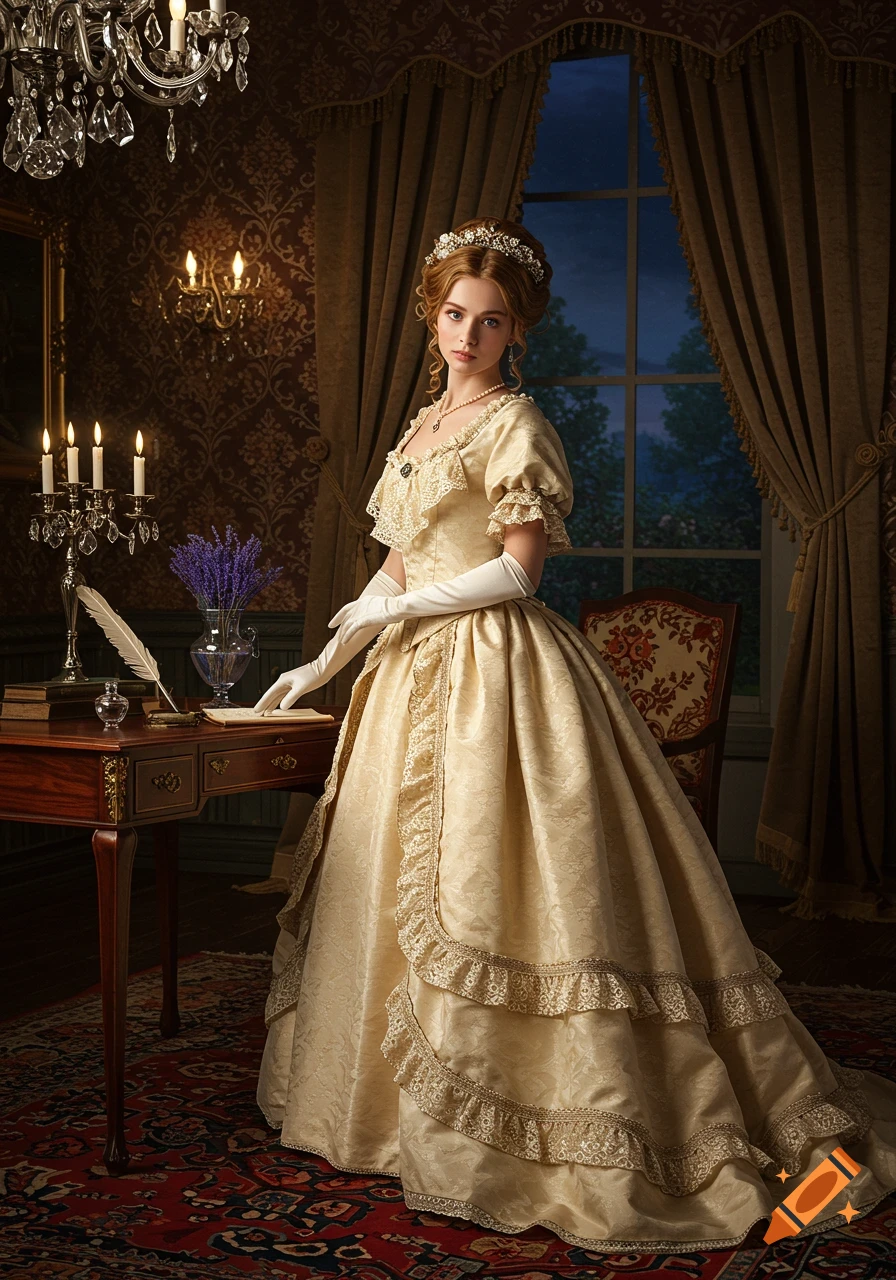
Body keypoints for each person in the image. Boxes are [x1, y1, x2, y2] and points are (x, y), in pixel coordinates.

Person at [254, 217, 896, 1252]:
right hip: (407, 680)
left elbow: (516, 569)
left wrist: (396, 615)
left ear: (517, 332)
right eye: (455, 313)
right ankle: (372, 1108)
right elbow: (394, 568)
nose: (469, 333)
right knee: (385, 882)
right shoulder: (417, 431)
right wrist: (328, 655)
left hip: (497, 674)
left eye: (491, 319)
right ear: (432, 317)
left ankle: (578, 1122)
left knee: (502, 879)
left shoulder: (514, 424)